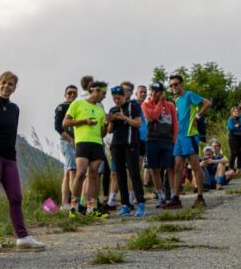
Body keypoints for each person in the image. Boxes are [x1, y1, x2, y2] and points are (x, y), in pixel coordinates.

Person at [0, 71, 46, 251]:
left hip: (9, 156)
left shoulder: (14, 108)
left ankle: (23, 237)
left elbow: (12, 133)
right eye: (3, 83)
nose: (6, 86)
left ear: (14, 88)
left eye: (10, 84)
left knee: (16, 196)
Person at [63, 80, 109, 217]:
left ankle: (91, 208)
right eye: (103, 93)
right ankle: (73, 206)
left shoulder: (101, 110)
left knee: (94, 175)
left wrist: (106, 126)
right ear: (94, 90)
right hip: (82, 142)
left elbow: (102, 134)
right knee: (81, 173)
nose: (105, 96)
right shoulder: (78, 103)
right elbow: (65, 123)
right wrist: (84, 121)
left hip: (97, 144)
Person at [169, 73, 211, 209]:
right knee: (177, 167)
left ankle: (200, 197)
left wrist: (198, 116)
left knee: (195, 166)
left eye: (176, 84)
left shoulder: (189, 95)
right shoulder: (177, 100)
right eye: (171, 85)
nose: (173, 87)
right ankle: (175, 198)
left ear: (181, 84)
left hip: (190, 135)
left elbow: (207, 103)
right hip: (180, 137)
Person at [107, 84, 146, 216]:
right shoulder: (113, 109)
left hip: (131, 143)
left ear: (124, 96)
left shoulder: (133, 106)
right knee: (120, 175)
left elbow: (138, 123)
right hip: (116, 145)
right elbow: (109, 130)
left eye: (118, 98)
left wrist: (124, 118)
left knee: (134, 173)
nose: (116, 101)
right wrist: (111, 120)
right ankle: (125, 204)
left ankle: (140, 202)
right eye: (114, 98)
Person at [141, 82, 177, 208]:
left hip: (167, 140)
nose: (153, 94)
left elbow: (175, 124)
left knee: (170, 168)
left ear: (162, 92)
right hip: (152, 140)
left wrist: (174, 140)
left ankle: (173, 195)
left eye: (157, 91)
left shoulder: (170, 105)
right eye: (152, 91)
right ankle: (161, 197)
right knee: (155, 170)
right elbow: (154, 117)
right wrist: (160, 103)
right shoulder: (146, 104)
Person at [55, 85, 79, 209]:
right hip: (67, 142)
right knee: (72, 171)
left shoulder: (77, 108)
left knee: (67, 172)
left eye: (74, 93)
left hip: (75, 142)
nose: (72, 95)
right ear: (65, 95)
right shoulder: (62, 107)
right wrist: (70, 139)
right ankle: (73, 203)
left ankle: (65, 203)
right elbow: (58, 127)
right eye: (69, 93)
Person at [226, 105, 241, 171]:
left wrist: (238, 126)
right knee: (234, 152)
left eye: (237, 111)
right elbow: (232, 128)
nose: (236, 112)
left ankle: (240, 167)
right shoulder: (230, 119)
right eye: (234, 111)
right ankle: (231, 167)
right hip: (233, 138)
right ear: (232, 112)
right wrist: (239, 127)